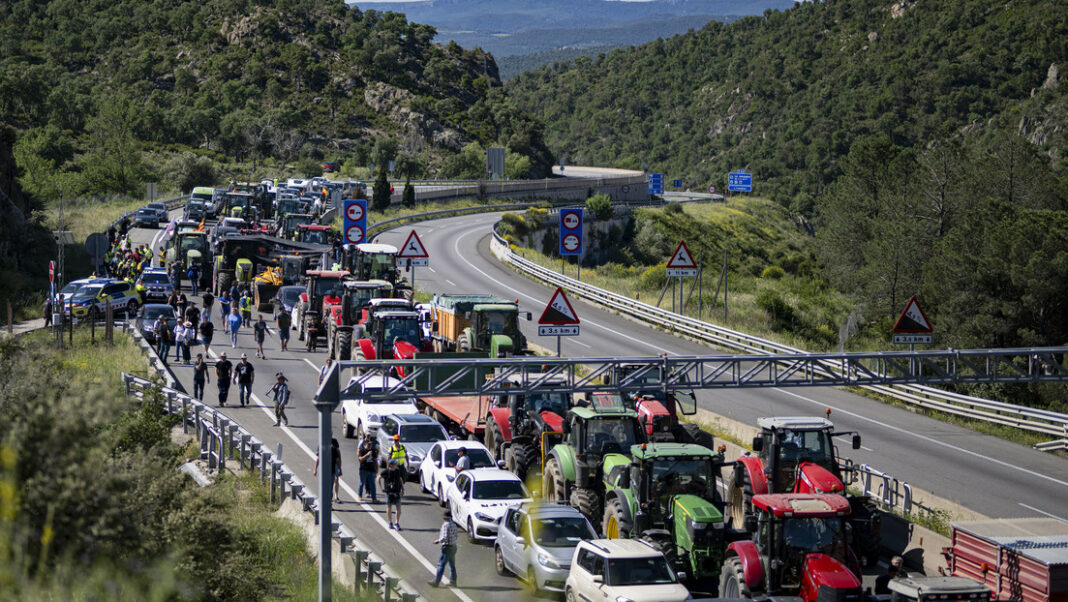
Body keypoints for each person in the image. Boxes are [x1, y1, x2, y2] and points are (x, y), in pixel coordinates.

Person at [429, 510, 458, 588]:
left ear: (444, 517)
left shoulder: (446, 525)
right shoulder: (454, 525)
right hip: (454, 546)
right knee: (452, 565)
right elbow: (456, 536)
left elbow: (445, 537)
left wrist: (438, 541)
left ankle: (436, 582)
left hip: (447, 547)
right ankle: (453, 581)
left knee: (441, 565)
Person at [314, 438, 343, 503]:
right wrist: (315, 469)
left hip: (334, 465)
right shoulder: (321, 443)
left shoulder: (334, 442)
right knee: (325, 485)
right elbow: (318, 458)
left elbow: (338, 455)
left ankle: (335, 497)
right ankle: (325, 500)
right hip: (324, 467)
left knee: (336, 479)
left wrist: (339, 468)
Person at [379, 459, 405, 530]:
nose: (396, 465)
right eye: (395, 464)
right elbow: (378, 478)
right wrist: (381, 488)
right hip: (389, 492)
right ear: (391, 465)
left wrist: (402, 488)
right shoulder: (386, 472)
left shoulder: (397, 471)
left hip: (397, 491)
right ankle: (390, 522)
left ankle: (397, 522)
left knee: (398, 508)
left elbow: (400, 479)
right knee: (389, 507)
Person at [357, 435, 378, 503]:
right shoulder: (362, 450)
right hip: (363, 469)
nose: (370, 445)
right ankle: (359, 496)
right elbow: (360, 459)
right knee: (361, 483)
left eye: (371, 444)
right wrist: (367, 455)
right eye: (368, 444)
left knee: (372, 485)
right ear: (365, 444)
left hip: (371, 470)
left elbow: (375, 460)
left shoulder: (373, 451)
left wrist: (376, 469)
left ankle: (374, 498)